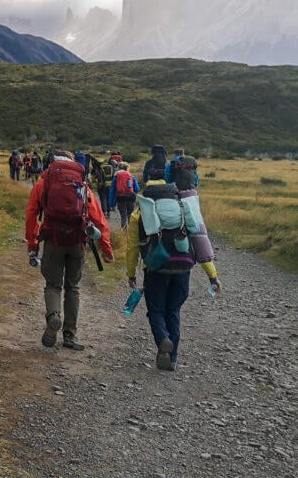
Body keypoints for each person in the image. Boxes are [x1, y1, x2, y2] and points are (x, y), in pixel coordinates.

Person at [125, 166, 221, 371]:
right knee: (173, 311)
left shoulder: (140, 211)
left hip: (156, 269)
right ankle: (173, 358)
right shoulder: (183, 206)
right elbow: (200, 241)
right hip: (183, 268)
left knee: (156, 310)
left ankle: (162, 339)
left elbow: (132, 247)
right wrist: (213, 276)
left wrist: (131, 273)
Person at [26, 151, 115, 350]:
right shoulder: (81, 185)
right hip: (77, 242)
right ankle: (70, 335)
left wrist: (32, 246)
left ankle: (54, 316)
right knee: (73, 287)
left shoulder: (43, 184)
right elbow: (98, 218)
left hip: (53, 242)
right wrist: (106, 248)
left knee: (53, 285)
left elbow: (31, 216)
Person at [109, 162, 140, 229]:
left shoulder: (116, 177)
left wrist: (111, 204)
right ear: (127, 168)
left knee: (123, 216)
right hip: (131, 198)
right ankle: (130, 233)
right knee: (130, 216)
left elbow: (112, 191)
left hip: (120, 198)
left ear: (118, 168)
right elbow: (137, 189)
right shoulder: (131, 176)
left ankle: (123, 233)